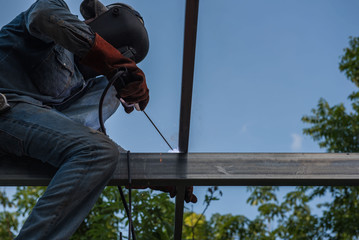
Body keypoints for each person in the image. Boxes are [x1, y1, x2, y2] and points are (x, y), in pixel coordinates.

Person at [0, 0, 196, 239]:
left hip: (17, 135)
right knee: (98, 151)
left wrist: (161, 175)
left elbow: (85, 144)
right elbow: (44, 16)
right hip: (4, 107)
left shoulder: (85, 87)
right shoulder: (52, 9)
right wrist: (108, 58)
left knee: (99, 149)